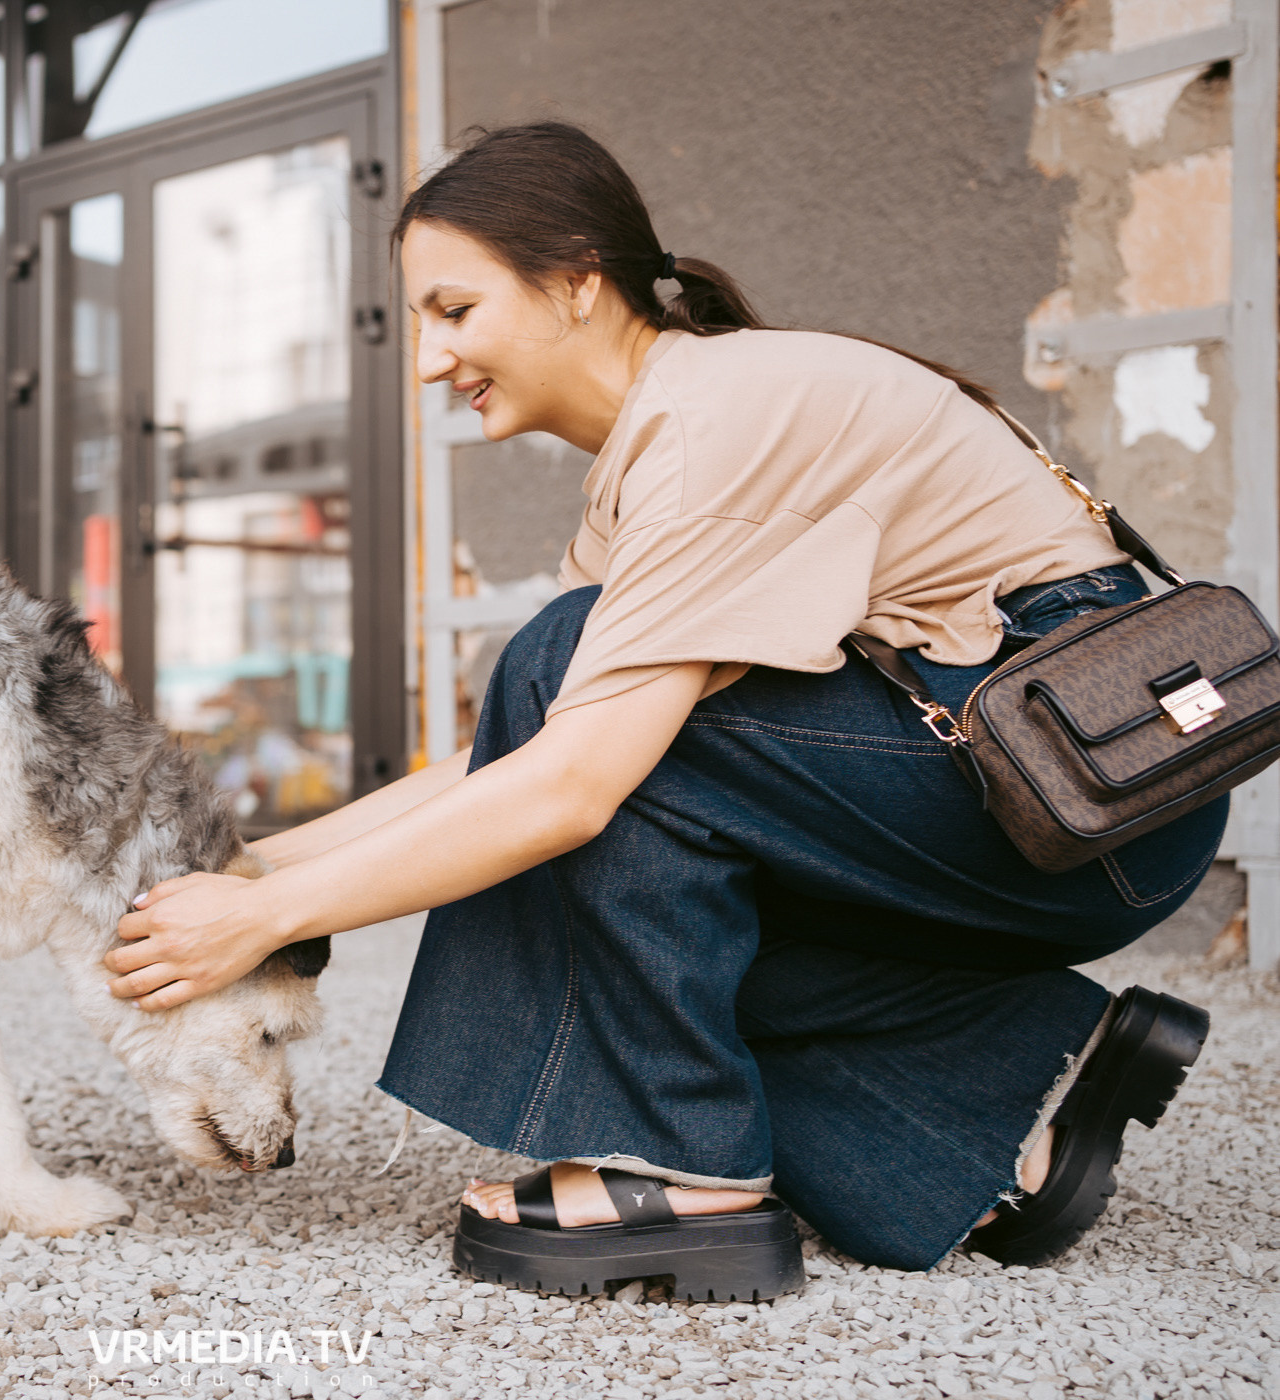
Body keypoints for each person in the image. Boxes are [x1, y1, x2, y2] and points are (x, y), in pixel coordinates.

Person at [102, 121, 1218, 1297]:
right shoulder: (666, 442)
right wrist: (258, 871)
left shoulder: (708, 422)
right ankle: (1039, 1083)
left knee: (573, 711)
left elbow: (570, 779)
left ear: (577, 282)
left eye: (454, 311)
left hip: (1077, 781)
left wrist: (260, 919)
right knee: (649, 913)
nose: (430, 360)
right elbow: (514, 752)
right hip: (1039, 796)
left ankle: (691, 1164)